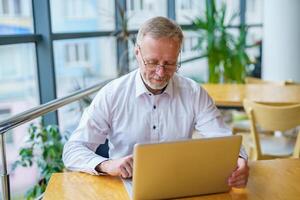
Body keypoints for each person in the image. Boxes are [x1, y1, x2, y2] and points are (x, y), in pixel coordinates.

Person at [63, 16, 249, 188]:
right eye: (152, 62)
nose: (160, 73)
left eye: (169, 64)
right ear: (137, 53)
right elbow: (73, 150)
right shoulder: (112, 94)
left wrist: (239, 159)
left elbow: (226, 142)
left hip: (179, 184)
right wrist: (107, 165)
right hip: (125, 187)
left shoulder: (193, 93)